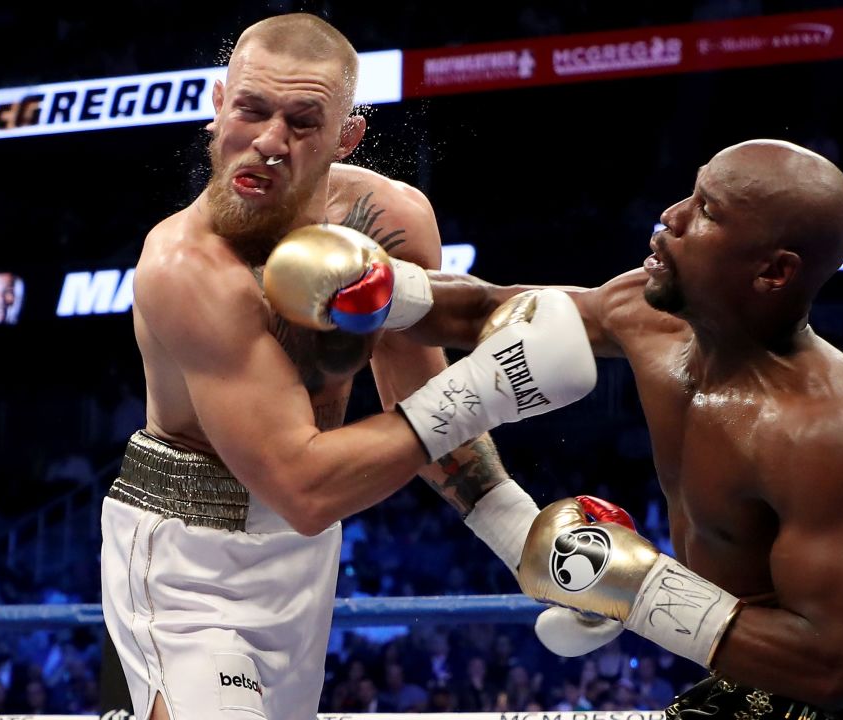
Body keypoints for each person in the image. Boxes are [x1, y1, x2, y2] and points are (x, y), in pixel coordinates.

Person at [100, 13, 595, 720]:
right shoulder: (185, 266)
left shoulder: (387, 220)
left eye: (303, 122)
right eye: (251, 109)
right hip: (187, 553)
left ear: (346, 136)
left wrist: (522, 537)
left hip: (305, 555)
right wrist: (494, 385)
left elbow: (421, 403)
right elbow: (303, 484)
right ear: (219, 106)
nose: (269, 142)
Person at [406, 140, 843, 717]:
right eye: (692, 191)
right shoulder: (644, 311)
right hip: (740, 670)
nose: (672, 215)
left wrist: (631, 586)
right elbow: (488, 311)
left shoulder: (824, 430)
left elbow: (829, 667)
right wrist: (376, 292)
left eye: (708, 211)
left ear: (773, 270)